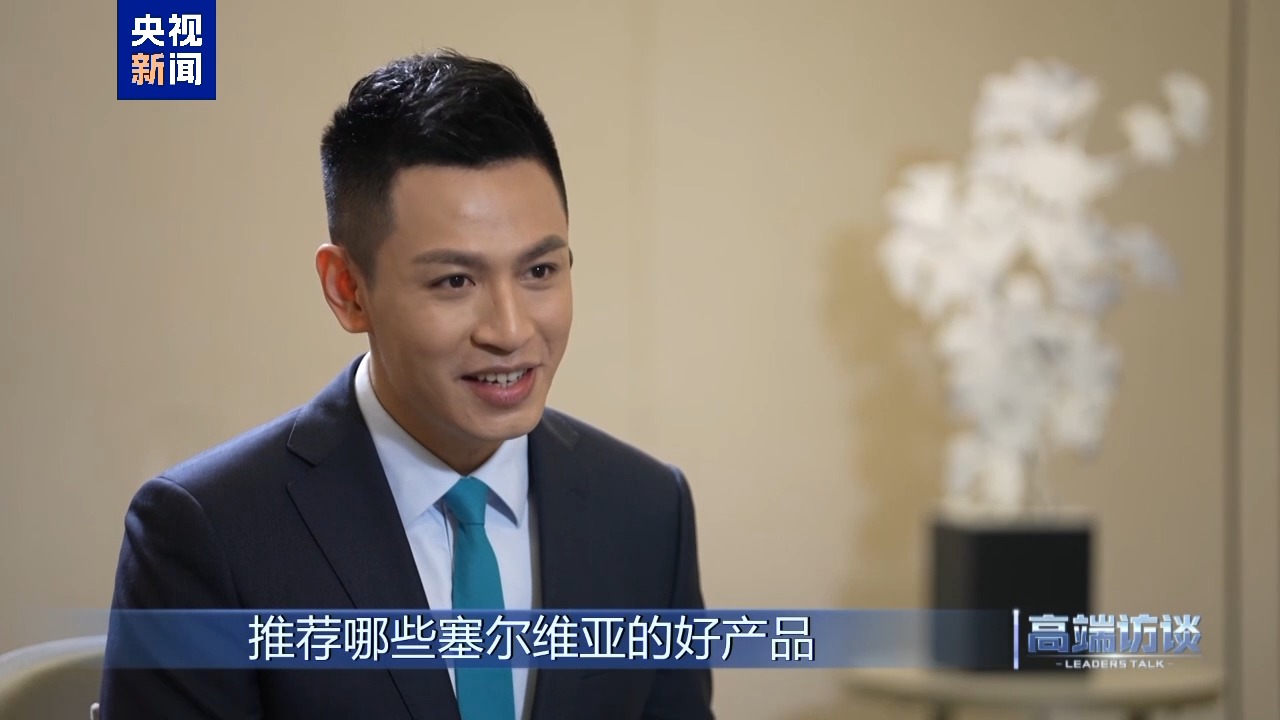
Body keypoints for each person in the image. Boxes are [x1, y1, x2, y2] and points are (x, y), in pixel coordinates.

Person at [99, 49, 714, 720]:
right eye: (455, 281)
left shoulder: (648, 511)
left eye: (540, 271)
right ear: (348, 290)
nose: (510, 330)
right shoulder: (208, 531)